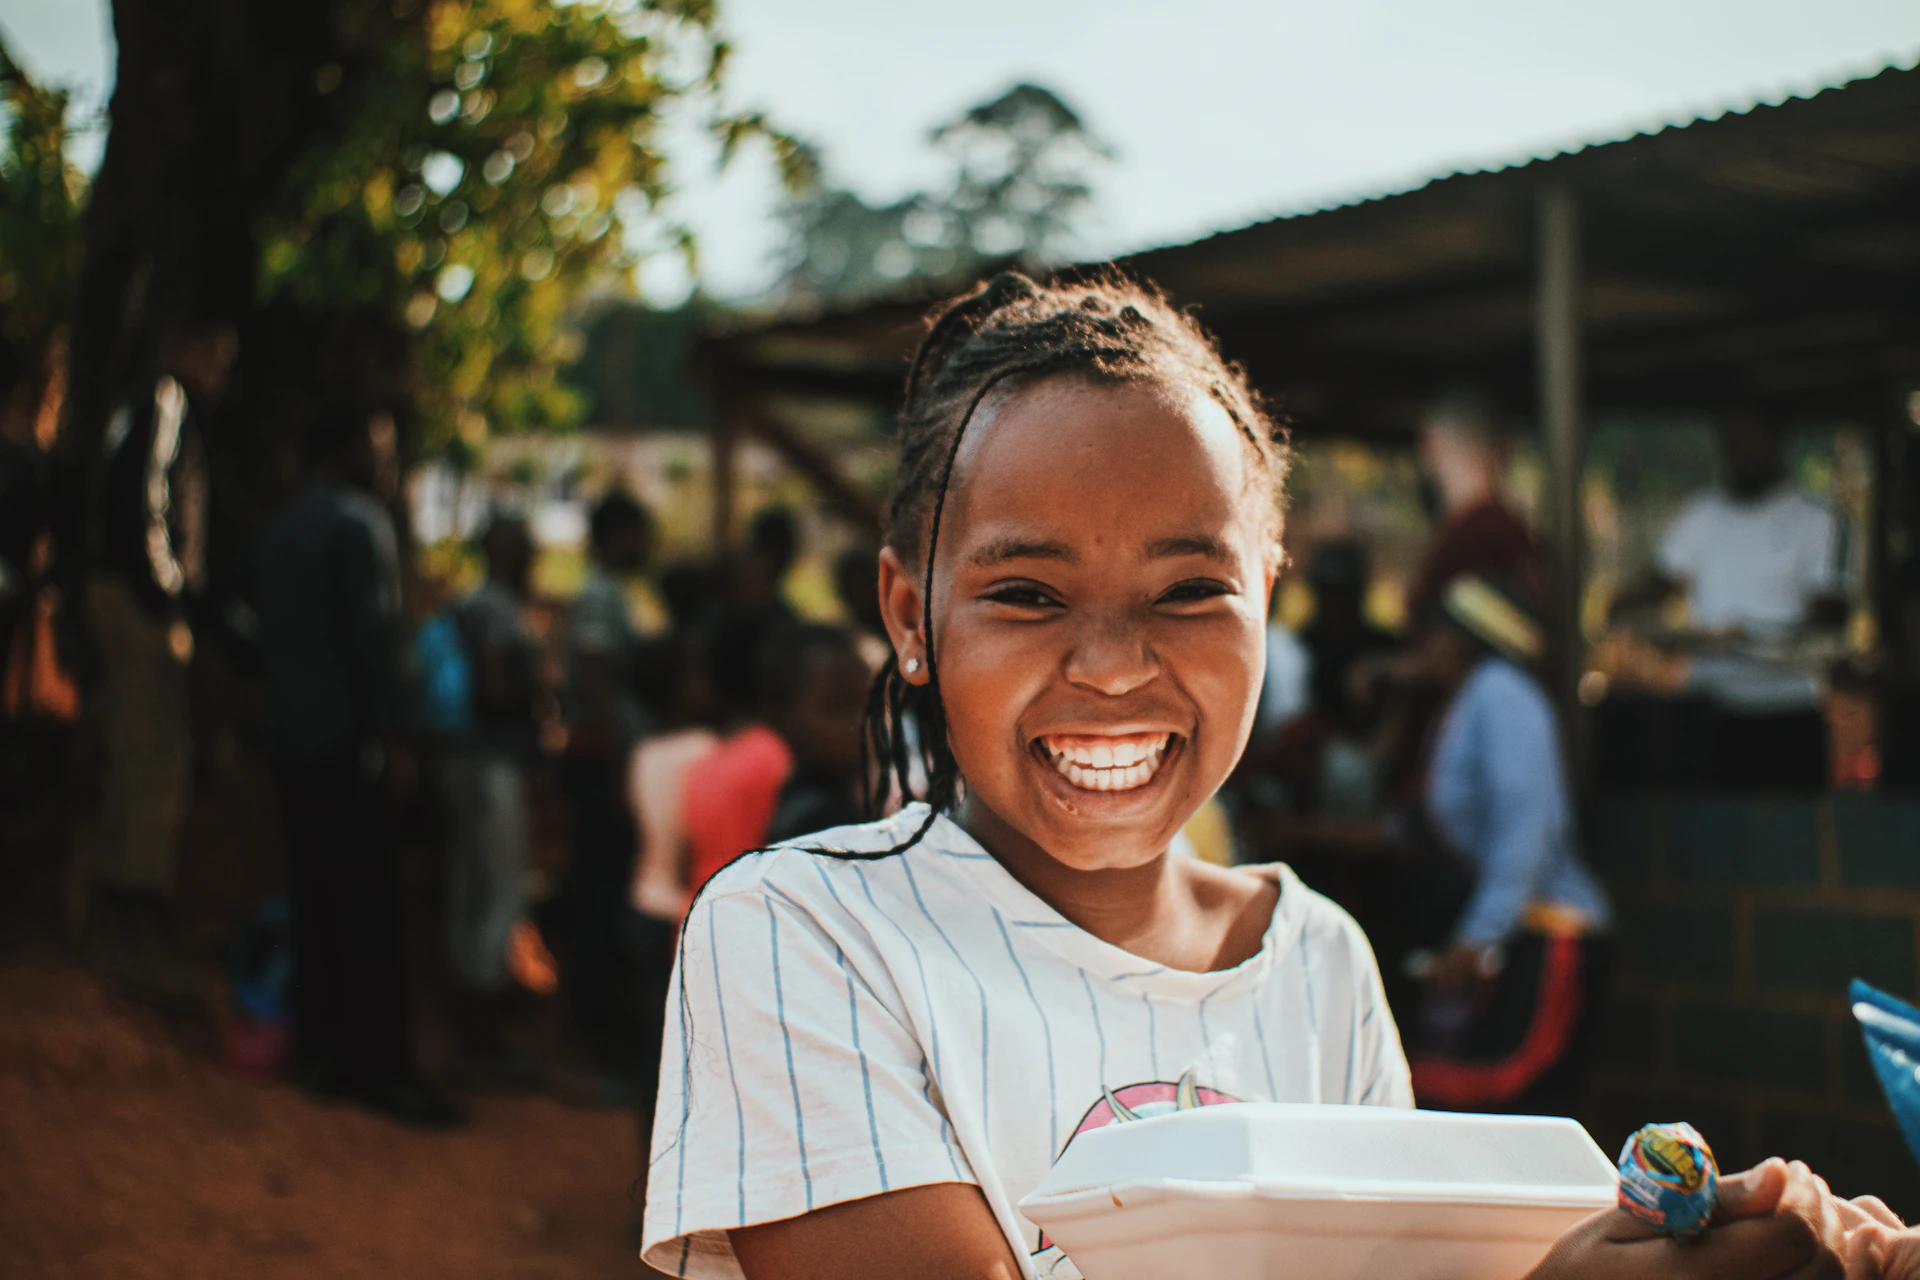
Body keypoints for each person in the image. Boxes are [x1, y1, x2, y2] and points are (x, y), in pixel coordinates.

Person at [639, 272, 1866, 1280]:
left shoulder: (1320, 962)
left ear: (1265, 601)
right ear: (911, 613)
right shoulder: (803, 934)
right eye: (1026, 593)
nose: (1113, 667)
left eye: (1189, 591)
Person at [256, 401, 461, 1127]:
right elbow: (374, 641)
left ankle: (323, 1054)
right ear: (345, 449)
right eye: (377, 443)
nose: (386, 458)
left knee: (315, 896)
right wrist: (397, 738)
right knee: (370, 905)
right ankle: (381, 1070)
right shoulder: (358, 523)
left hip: (289, 741)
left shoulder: (279, 526)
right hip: (349, 743)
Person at [1402, 575, 1612, 1116]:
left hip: (1547, 933)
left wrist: (1478, 936)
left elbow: (1526, 828)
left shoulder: (1501, 694)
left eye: (1432, 632)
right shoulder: (1469, 699)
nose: (1423, 645)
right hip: (1515, 931)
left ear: (1463, 638)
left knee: (1520, 1111)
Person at [1612, 411, 1848, 791]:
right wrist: (1623, 607)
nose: (1738, 455)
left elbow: (1830, 610)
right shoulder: (1703, 514)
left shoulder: (1814, 517)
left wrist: (1752, 635)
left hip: (1786, 710)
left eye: (1748, 443)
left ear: (1775, 444)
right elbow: (1660, 586)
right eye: (1730, 445)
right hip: (1711, 711)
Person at [441, 514, 542, 1081]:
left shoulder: (465, 603)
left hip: (460, 761)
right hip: (493, 765)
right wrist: (540, 683)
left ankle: (466, 1034)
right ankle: (482, 1045)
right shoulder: (500, 610)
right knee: (501, 897)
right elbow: (495, 684)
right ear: (507, 553)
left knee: (468, 892)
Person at [561, 489, 654, 1079]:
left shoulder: (610, 593)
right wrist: (620, 766)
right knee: (600, 895)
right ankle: (592, 1044)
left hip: (608, 759)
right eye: (640, 533)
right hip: (602, 762)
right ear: (617, 535)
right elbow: (594, 675)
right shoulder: (599, 595)